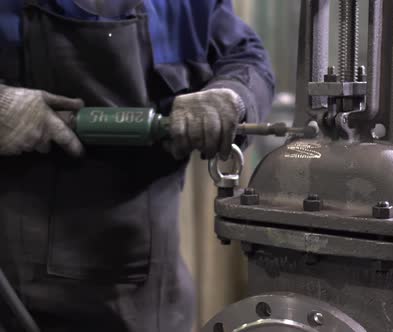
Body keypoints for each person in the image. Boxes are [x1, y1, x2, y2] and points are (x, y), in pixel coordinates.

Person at [0, 1, 275, 331]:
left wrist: (232, 95)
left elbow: (246, 59)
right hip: (11, 296)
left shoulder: (187, 6)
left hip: (148, 298)